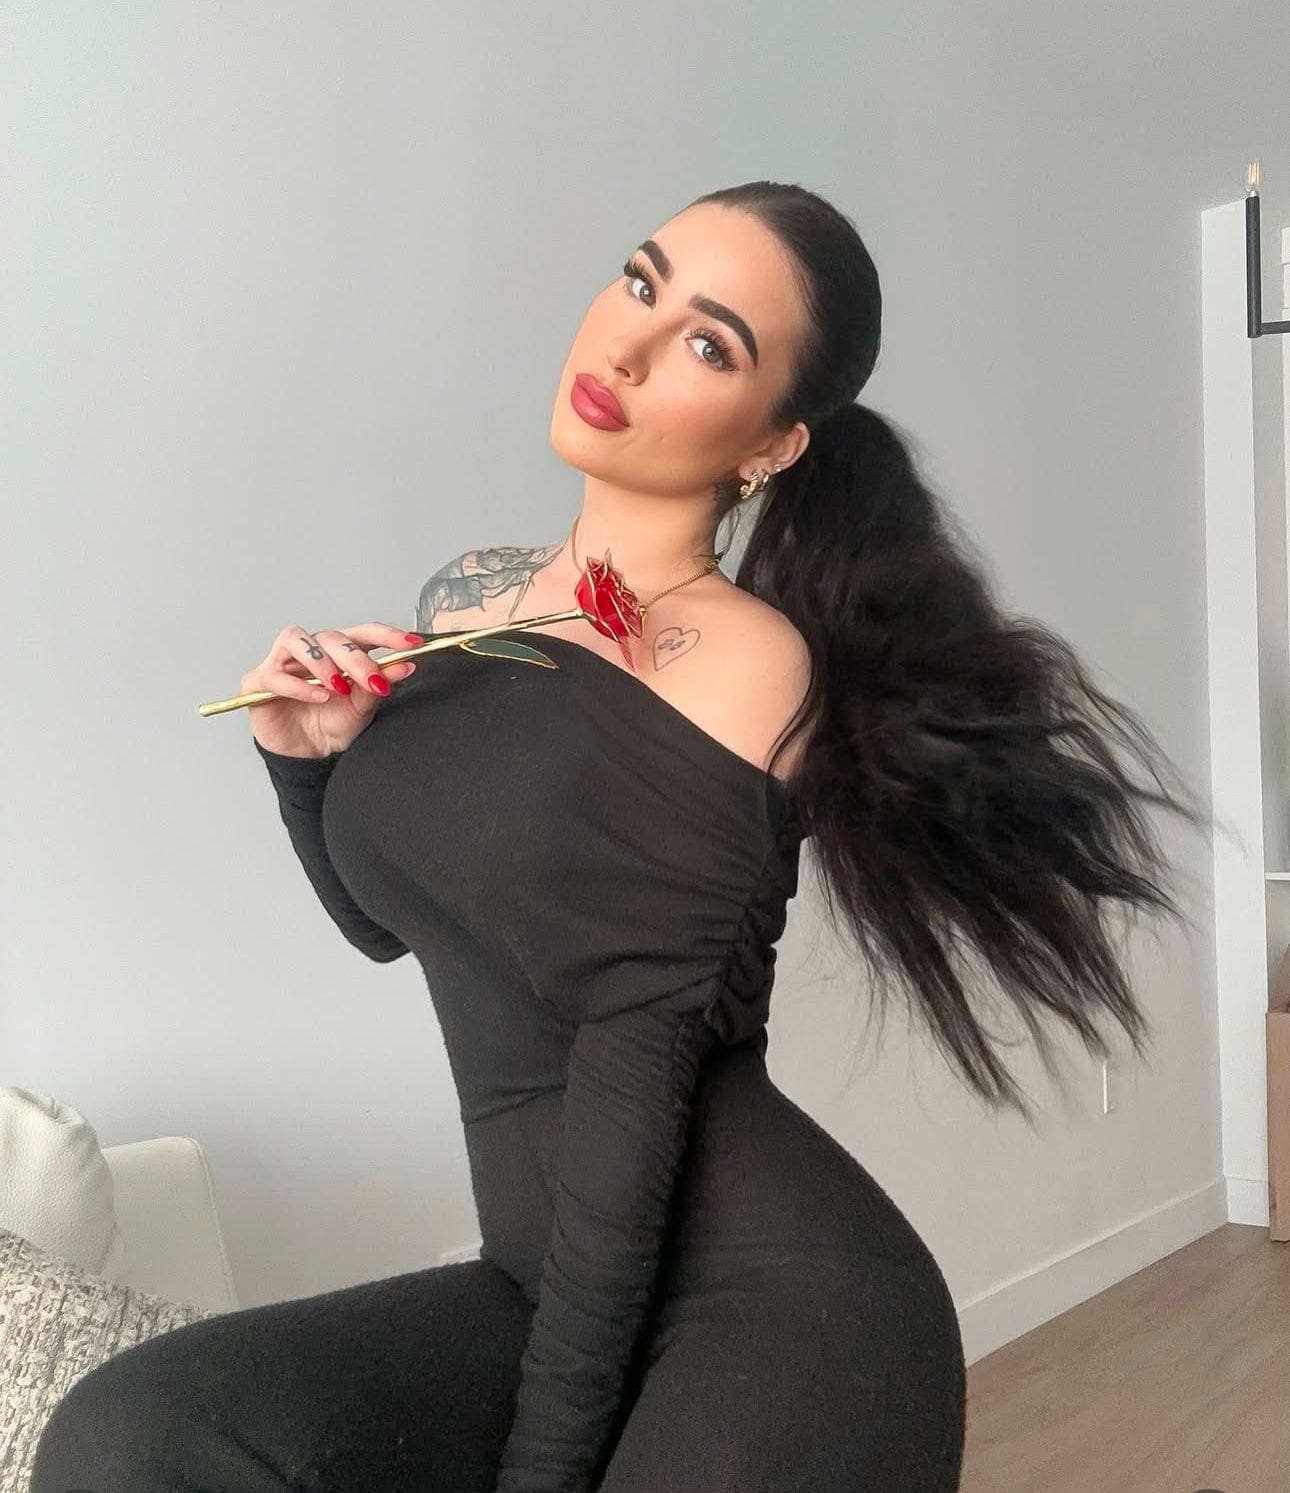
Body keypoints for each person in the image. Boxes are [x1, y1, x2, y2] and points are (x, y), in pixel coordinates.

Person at [31, 180, 1213, 1493]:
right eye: (641, 282)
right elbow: (390, 925)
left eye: (709, 343)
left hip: (769, 1305)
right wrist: (302, 763)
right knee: (131, 1436)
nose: (630, 343)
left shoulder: (743, 665)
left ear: (771, 445)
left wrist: (542, 1474)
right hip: (539, 1269)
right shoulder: (472, 599)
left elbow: (631, 1086)